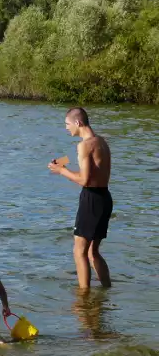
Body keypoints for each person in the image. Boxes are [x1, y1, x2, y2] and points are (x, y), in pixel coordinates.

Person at [48, 107, 112, 289]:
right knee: (93, 252)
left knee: (79, 252)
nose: (66, 128)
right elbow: (94, 173)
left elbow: (84, 180)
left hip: (91, 199)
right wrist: (63, 163)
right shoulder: (101, 141)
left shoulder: (84, 145)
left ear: (77, 123)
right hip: (104, 197)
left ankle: (83, 297)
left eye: (67, 124)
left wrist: (61, 171)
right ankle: (106, 290)